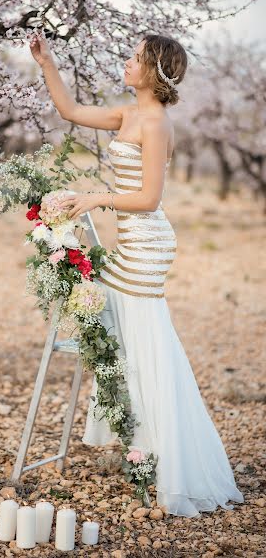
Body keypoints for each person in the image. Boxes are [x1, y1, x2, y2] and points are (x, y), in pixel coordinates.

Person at [29, 32, 244, 518]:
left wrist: (95, 197)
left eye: (136, 58)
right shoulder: (126, 114)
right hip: (130, 241)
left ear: (156, 71)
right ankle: (142, 444)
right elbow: (70, 111)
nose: (126, 63)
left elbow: (149, 199)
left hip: (149, 244)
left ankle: (170, 463)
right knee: (123, 336)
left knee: (147, 341)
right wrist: (48, 64)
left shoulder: (158, 124)